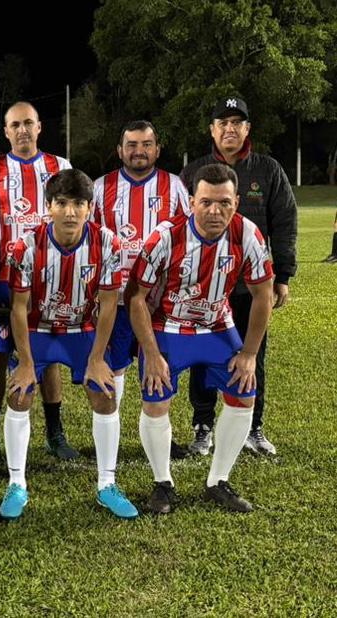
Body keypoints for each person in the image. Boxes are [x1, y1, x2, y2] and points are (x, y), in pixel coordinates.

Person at [129, 163, 274, 514]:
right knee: (156, 396)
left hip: (217, 326)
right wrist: (151, 352)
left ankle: (217, 482)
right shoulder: (165, 236)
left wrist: (250, 353)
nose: (215, 211)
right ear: (191, 201)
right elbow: (134, 297)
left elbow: (262, 295)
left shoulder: (247, 235)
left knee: (243, 391)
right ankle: (163, 483)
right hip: (169, 326)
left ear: (236, 202)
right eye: (206, 201)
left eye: (224, 202)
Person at [4, 169, 137, 521]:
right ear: (48, 207)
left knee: (105, 392)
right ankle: (17, 483)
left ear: (89, 208)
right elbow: (18, 308)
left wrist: (97, 357)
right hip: (39, 328)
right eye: (61, 203)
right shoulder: (25, 246)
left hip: (83, 328)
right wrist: (26, 362)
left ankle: (107, 484)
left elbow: (109, 303)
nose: (70, 212)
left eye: (78, 204)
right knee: (20, 392)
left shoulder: (108, 243)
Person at [181, 97, 296, 456]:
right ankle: (203, 427)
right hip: (204, 286)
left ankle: (252, 427)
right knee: (202, 355)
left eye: (237, 122)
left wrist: (284, 275)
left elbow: (285, 222)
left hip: (250, 286)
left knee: (252, 353)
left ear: (247, 129)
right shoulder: (193, 171)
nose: (230, 128)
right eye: (223, 122)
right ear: (212, 130)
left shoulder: (268, 169)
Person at [0, 101, 76, 461]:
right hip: (3, 280)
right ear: (6, 131)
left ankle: (55, 433)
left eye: (28, 123)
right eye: (14, 125)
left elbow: (73, 219)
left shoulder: (59, 167)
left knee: (46, 357)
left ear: (38, 128)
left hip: (49, 281)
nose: (22, 130)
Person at [92, 120, 190, 420]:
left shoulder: (174, 186)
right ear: (120, 151)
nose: (139, 151)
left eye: (146, 144)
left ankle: (157, 435)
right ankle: (112, 438)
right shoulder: (101, 187)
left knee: (158, 368)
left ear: (157, 150)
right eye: (132, 145)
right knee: (114, 368)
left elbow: (187, 238)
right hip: (116, 300)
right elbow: (91, 243)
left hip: (158, 303)